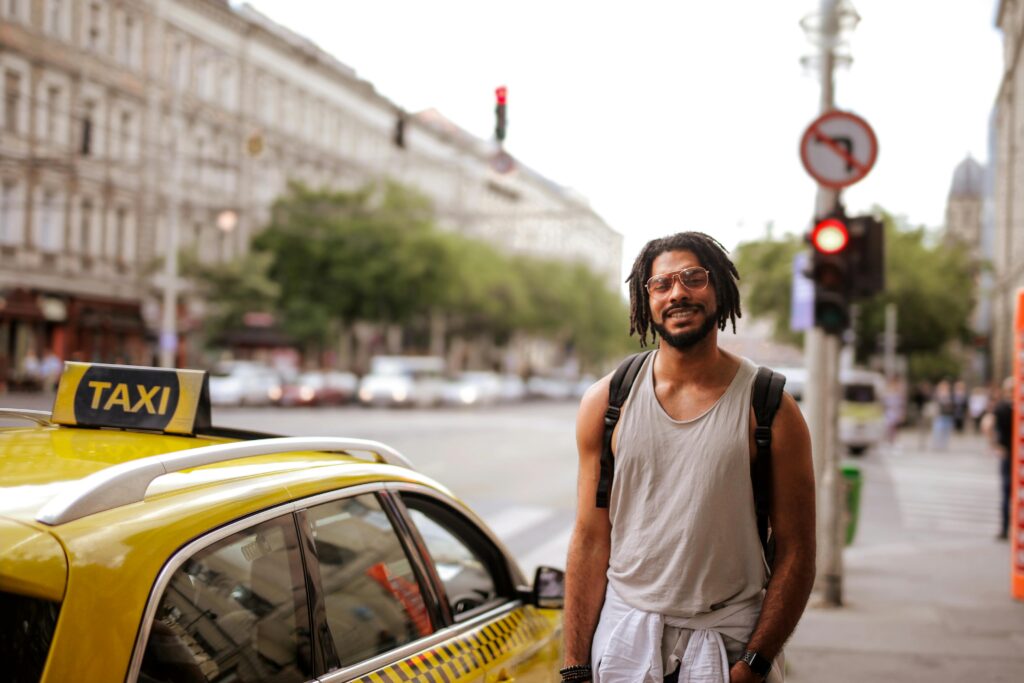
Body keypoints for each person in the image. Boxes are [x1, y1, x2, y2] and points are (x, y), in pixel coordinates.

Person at [563, 232, 816, 683]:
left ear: (719, 288)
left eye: (693, 278)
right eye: (661, 284)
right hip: (624, 643)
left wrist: (754, 664)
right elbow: (589, 538)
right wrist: (574, 666)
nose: (677, 292)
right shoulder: (606, 402)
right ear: (647, 302)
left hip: (727, 644)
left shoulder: (771, 406)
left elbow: (797, 549)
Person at [991, 377, 1014, 541]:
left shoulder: (1001, 407)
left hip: (1007, 453)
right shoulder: (1006, 407)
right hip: (1013, 454)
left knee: (1006, 492)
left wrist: (996, 446)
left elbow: (990, 427)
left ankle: (1005, 528)